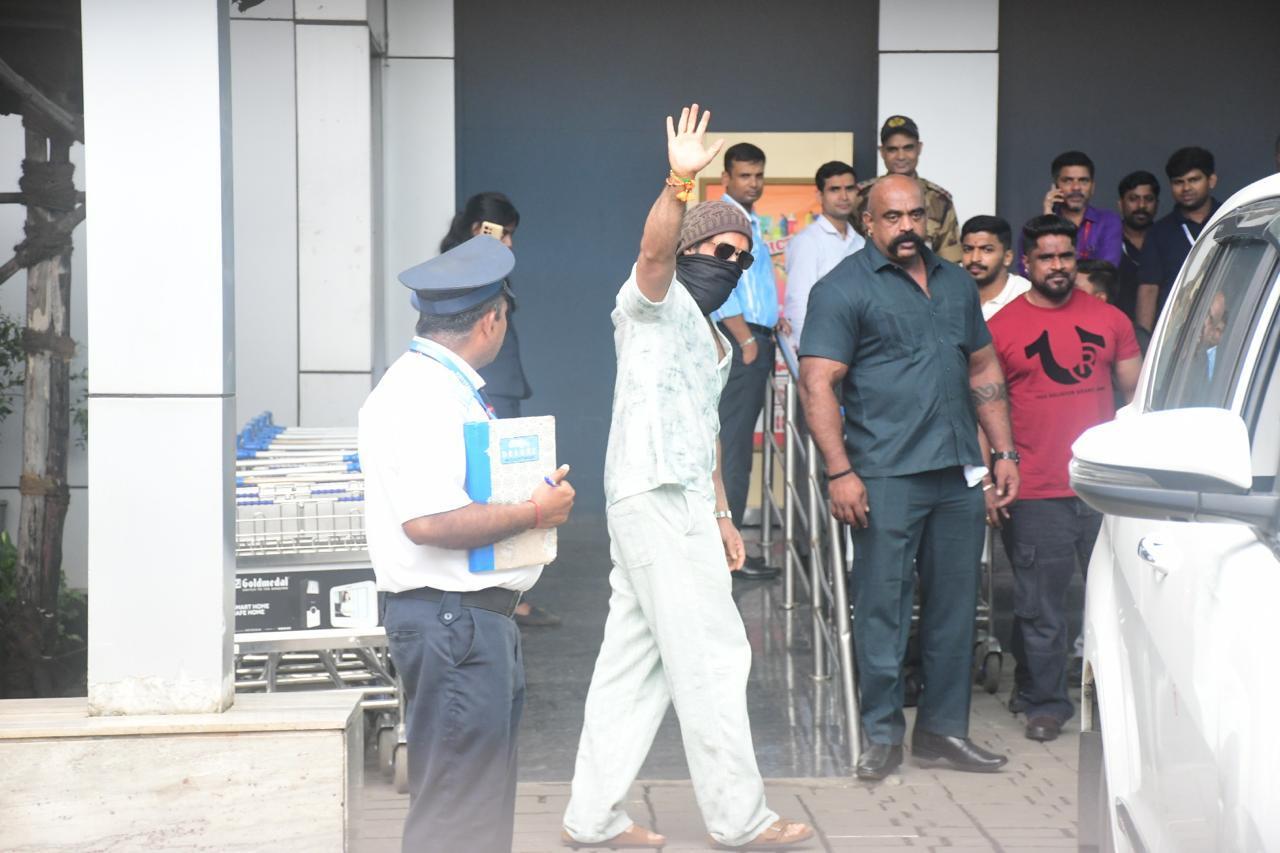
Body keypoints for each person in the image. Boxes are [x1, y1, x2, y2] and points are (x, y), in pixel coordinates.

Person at [562, 103, 813, 851]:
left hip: (678, 505)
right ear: (692, 248)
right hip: (649, 498)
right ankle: (741, 819)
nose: (732, 265)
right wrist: (680, 180)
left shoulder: (707, 337)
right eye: (721, 251)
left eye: (744, 257)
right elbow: (653, 253)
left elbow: (705, 438)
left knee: (632, 666)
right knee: (712, 652)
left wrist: (725, 515)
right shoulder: (650, 303)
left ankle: (592, 818)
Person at [358, 235, 577, 853]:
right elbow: (429, 522)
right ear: (492, 319)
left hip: (469, 622)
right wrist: (535, 510)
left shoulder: (441, 386)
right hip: (453, 622)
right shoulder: (421, 395)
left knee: (473, 810)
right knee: (457, 816)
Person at [798, 174, 1019, 781]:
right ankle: (881, 736)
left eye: (915, 216)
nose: (906, 228)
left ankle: (944, 733)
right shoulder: (842, 289)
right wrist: (839, 471)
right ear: (868, 223)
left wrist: (1004, 451)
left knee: (953, 608)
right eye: (892, 217)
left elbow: (981, 365)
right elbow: (819, 382)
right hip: (885, 473)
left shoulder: (954, 283)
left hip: (956, 473)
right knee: (883, 610)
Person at [987, 215, 1141, 743]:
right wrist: (990, 477)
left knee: (1121, 599)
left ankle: (1121, 701)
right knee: (1041, 605)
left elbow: (1137, 401)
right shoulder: (1001, 327)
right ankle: (1047, 704)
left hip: (1103, 488)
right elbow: (985, 406)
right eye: (1047, 257)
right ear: (1025, 262)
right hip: (1037, 488)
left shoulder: (1110, 319)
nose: (1058, 266)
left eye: (1066, 256)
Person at [439, 192, 561, 628]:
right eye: (501, 233)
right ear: (478, 230)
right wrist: (484, 248)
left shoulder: (481, 263)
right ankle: (505, 595)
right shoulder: (461, 268)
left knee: (509, 487)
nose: (508, 244)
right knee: (498, 491)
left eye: (511, 235)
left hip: (501, 384)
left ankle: (509, 591)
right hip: (486, 389)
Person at [711, 141, 784, 579]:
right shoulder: (726, 221)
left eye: (758, 175)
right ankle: (727, 552)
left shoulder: (748, 219)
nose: (752, 183)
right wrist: (745, 339)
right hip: (743, 342)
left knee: (737, 446)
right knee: (733, 447)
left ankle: (728, 546)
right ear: (727, 178)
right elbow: (720, 287)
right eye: (744, 176)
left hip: (759, 338)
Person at [782, 160, 864, 353]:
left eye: (849, 189)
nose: (844, 196)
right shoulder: (807, 241)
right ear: (820, 195)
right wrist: (809, 352)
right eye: (835, 189)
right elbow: (798, 301)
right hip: (821, 349)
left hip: (859, 348)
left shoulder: (861, 243)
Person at [1135, 146, 1221, 332]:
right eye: (1178, 182)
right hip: (1176, 334)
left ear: (1211, 180)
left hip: (1233, 328)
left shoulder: (1231, 220)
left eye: (1194, 180)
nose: (1186, 188)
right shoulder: (1158, 232)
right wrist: (1144, 342)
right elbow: (1149, 289)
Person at [854, 115, 962, 262]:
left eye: (908, 148)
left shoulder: (939, 200)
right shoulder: (860, 197)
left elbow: (950, 261)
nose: (901, 156)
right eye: (893, 149)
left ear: (919, 148)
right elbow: (844, 247)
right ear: (882, 152)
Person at [1016, 151, 1121, 274]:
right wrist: (1048, 221)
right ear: (1056, 186)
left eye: (1083, 181)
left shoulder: (1108, 221)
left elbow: (1106, 272)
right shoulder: (1032, 229)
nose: (1076, 187)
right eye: (1068, 181)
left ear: (1092, 187)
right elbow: (1027, 272)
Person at [960, 214, 1031, 320]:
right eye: (968, 249)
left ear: (1007, 257)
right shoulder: (949, 295)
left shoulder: (1026, 295)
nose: (974, 258)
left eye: (987, 250)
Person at [1114, 171, 1160, 320]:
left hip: (1160, 332)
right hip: (1115, 327)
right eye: (1133, 199)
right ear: (1120, 204)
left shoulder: (1165, 238)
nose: (1141, 205)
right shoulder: (1109, 240)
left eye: (1148, 199)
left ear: (1157, 204)